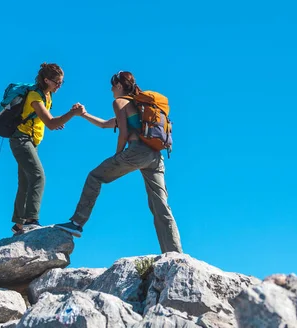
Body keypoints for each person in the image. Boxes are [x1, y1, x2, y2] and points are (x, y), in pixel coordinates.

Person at [56, 71, 183, 253]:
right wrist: (83, 115)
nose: (111, 90)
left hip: (137, 151)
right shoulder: (138, 106)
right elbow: (105, 124)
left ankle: (76, 223)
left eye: (112, 86)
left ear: (119, 86)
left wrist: (117, 157)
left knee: (95, 176)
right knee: (161, 206)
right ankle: (174, 253)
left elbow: (123, 133)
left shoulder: (119, 102)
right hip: (155, 156)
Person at [10, 62, 84, 235]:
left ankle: (18, 225)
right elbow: (50, 123)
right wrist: (72, 114)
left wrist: (60, 120)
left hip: (30, 142)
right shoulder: (35, 95)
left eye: (61, 82)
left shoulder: (47, 95)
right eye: (57, 82)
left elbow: (47, 119)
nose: (59, 86)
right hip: (21, 140)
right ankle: (31, 220)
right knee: (38, 176)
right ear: (46, 80)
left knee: (25, 182)